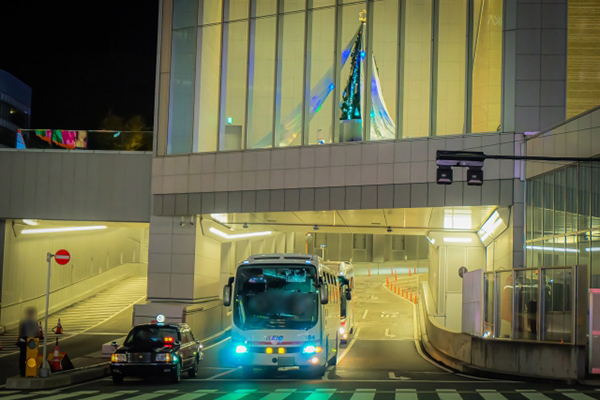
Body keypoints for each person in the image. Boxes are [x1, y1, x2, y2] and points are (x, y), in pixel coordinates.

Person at [17, 307, 39, 377]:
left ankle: (30, 371)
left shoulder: (34, 322)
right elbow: (21, 332)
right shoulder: (24, 322)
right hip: (25, 341)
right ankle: (23, 372)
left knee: (31, 356)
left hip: (31, 341)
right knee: (23, 357)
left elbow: (36, 332)